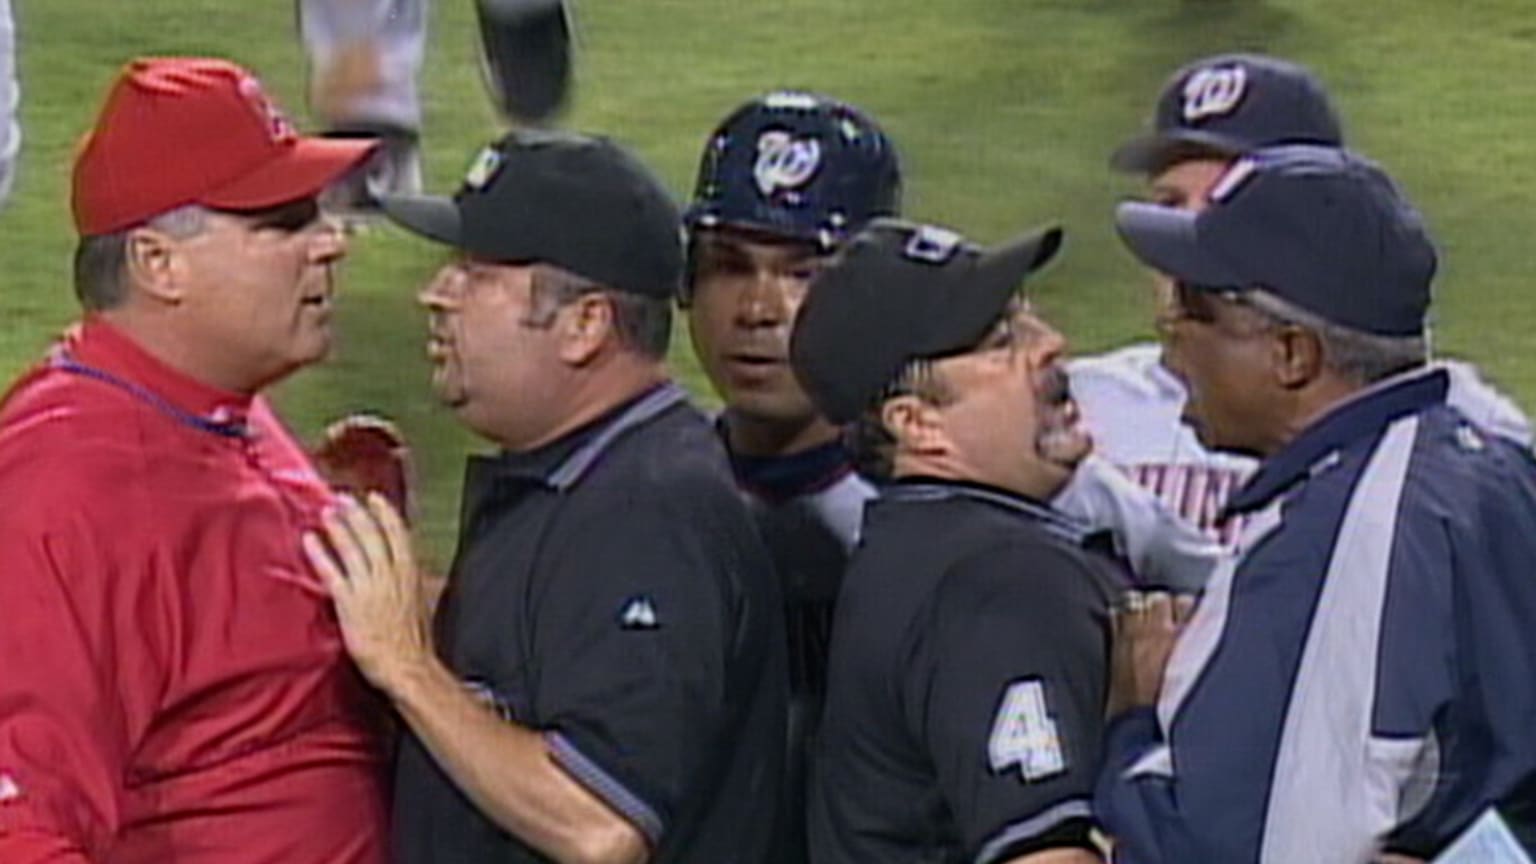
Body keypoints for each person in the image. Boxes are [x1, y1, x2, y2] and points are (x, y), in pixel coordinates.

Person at [303, 129, 787, 864]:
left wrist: (404, 664)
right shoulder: (577, 469)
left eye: (475, 273)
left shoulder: (650, 513)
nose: (435, 294)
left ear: (584, 324)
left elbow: (597, 822)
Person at [1098, 145, 1536, 861]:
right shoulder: (1489, 454)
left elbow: (1230, 852)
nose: (1169, 345)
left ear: (1291, 354)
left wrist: (1133, 722)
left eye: (1192, 309)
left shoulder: (1342, 547)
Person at [0, 58, 386, 863]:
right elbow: (23, 831)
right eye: (282, 222)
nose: (331, 241)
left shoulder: (213, 401)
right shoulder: (63, 492)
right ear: (157, 264)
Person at [1063, 53, 1530, 544]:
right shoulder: (1081, 409)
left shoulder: (1471, 437)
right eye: (1170, 204)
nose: (1193, 231)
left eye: (1229, 200)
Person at [792, 217, 1115, 864]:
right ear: (918, 425)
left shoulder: (910, 548)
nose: (1051, 344)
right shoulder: (999, 578)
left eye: (1030, 318)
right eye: (1002, 341)